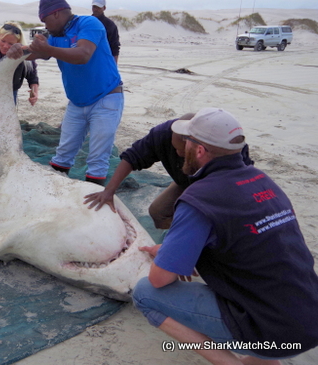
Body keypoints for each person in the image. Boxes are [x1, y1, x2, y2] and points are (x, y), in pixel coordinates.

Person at [132, 108, 318, 364]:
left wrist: (167, 258)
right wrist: (171, 251)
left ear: (199, 150)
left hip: (272, 330)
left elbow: (160, 279)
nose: (180, 147)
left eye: (187, 141)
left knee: (145, 293)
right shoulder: (263, 181)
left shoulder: (200, 198)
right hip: (309, 317)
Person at [7, 0, 124, 186]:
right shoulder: (55, 36)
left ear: (56, 14)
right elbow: (32, 54)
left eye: (45, 20)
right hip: (77, 103)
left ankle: (92, 207)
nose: (45, 26)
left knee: (97, 159)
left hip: (106, 98)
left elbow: (83, 54)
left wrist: (49, 49)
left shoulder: (89, 24)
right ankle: (55, 195)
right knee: (62, 155)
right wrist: (17, 51)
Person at [83, 112, 253, 229]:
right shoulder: (163, 133)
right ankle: (175, 238)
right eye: (175, 150)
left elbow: (242, 182)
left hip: (222, 190)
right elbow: (131, 157)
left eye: (183, 153)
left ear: (198, 147)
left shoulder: (225, 145)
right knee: (158, 212)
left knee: (210, 223)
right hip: (185, 181)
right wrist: (109, 191)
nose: (178, 155)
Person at [91, 0, 120, 64]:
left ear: (104, 8)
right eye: (94, 7)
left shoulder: (110, 25)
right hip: (89, 60)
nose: (96, 9)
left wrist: (114, 66)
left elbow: (115, 47)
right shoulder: (86, 22)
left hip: (104, 60)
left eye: (98, 7)